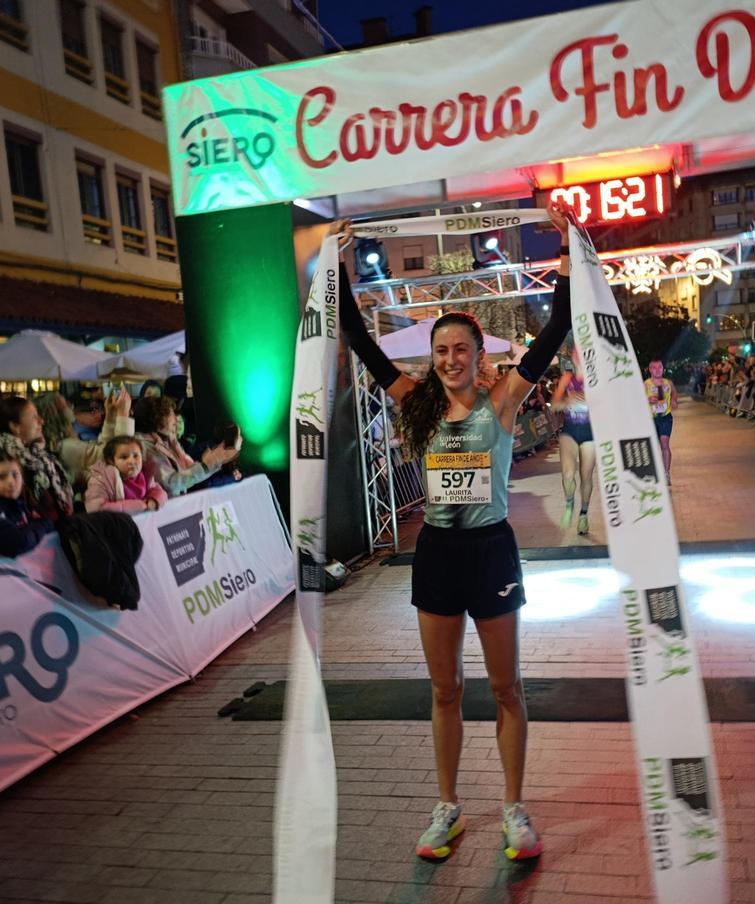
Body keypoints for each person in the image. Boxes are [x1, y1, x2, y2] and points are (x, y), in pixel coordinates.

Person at [331, 201, 573, 863]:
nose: (449, 359)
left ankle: (515, 811)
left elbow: (556, 332)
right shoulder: (416, 403)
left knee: (505, 689)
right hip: (437, 553)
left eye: (460, 348)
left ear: (477, 352)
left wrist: (567, 253)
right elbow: (357, 337)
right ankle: (447, 808)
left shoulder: (502, 400)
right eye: (440, 350)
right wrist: (338, 262)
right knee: (444, 690)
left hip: (491, 549)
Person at [0, 396, 75, 524]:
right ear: (15, 426)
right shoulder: (5, 463)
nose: (42, 421)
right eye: (34, 417)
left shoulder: (37, 455)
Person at [133, 396, 237, 497]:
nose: (175, 418)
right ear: (156, 418)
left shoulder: (169, 440)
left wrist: (213, 462)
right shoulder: (146, 446)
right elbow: (172, 484)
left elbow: (190, 469)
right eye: (170, 413)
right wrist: (206, 466)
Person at [33, 389, 134, 489]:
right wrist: (123, 415)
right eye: (66, 406)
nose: (70, 407)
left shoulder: (63, 441)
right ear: (56, 415)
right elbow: (110, 457)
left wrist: (111, 414)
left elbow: (103, 448)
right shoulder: (65, 446)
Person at [0, 450, 54, 557]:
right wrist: (42, 526)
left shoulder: (23, 501)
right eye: (2, 477)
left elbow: (49, 524)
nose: (11, 481)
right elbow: (15, 544)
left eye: (15, 475)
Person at [550, 348, 594, 535]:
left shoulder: (595, 379)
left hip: (590, 431)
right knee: (568, 475)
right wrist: (568, 399)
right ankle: (569, 504)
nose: (579, 355)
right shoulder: (567, 378)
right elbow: (553, 407)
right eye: (577, 352)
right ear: (573, 357)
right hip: (569, 429)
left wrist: (588, 400)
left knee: (586, 477)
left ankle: (583, 515)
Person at [85, 435, 168, 514]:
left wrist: (154, 500)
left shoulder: (145, 474)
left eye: (135, 456)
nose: (132, 461)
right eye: (124, 457)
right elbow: (95, 508)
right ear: (111, 461)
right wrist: (140, 506)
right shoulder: (101, 479)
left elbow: (160, 492)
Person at [644, 359, 678, 483]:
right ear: (650, 370)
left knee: (664, 444)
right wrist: (647, 399)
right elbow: (638, 399)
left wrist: (674, 400)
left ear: (663, 369)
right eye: (655, 367)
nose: (658, 370)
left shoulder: (668, 383)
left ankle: (666, 473)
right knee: (652, 446)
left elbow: (674, 392)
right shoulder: (646, 384)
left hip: (665, 417)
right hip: (651, 419)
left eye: (660, 367)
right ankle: (652, 472)